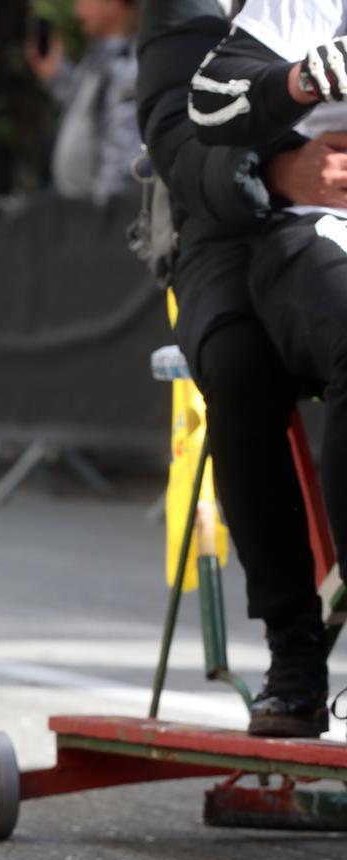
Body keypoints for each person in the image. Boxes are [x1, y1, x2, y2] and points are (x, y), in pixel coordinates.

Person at [188, 0, 347, 735]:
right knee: (238, 365)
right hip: (300, 230)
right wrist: (306, 80)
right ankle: (295, 647)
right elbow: (204, 104)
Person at [30, 0, 144, 200]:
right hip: (80, 210)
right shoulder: (98, 58)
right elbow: (84, 113)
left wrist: (104, 208)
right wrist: (55, 76)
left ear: (113, 5)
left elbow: (124, 148)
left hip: (101, 213)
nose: (78, 11)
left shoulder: (127, 65)